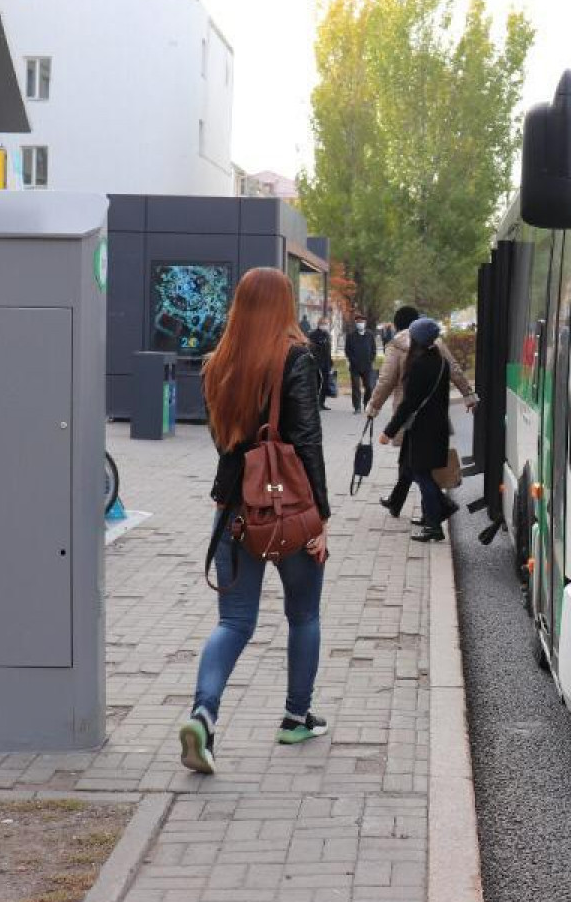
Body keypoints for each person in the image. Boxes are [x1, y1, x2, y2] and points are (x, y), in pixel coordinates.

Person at [178, 268, 331, 776]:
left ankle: (204, 714)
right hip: (287, 510)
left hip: (232, 511)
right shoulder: (295, 356)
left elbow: (224, 443)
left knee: (233, 622)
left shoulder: (217, 362)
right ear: (283, 305)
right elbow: (307, 442)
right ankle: (295, 717)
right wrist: (320, 518)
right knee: (303, 615)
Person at [367, 306, 477, 521]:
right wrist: (468, 394)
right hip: (430, 415)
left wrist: (374, 407)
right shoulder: (435, 343)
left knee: (416, 466)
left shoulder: (398, 345)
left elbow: (386, 381)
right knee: (410, 462)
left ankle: (437, 510)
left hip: (410, 415)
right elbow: (453, 368)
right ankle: (402, 503)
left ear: (398, 324)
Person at [380, 317, 455, 542]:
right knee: (417, 471)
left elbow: (408, 404)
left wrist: (389, 431)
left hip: (423, 429)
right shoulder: (441, 361)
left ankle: (435, 525)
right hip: (437, 427)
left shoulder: (420, 365)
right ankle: (434, 514)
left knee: (422, 475)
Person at [342, 314, 378, 413]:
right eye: (358, 322)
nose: (360, 324)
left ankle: (366, 403)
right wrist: (352, 360)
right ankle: (357, 407)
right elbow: (347, 350)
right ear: (356, 323)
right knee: (356, 387)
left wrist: (371, 359)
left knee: (369, 387)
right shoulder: (351, 335)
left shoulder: (370, 335)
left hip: (367, 366)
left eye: (362, 322)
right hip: (355, 366)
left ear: (365, 323)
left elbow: (373, 349)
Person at [305, 319, 335, 410]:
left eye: (326, 324)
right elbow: (311, 347)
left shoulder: (327, 335)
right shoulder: (313, 334)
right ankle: (315, 403)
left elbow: (328, 350)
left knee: (325, 383)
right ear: (319, 324)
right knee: (317, 383)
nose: (325, 325)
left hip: (326, 362)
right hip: (317, 362)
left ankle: (322, 403)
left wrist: (330, 362)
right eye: (323, 324)